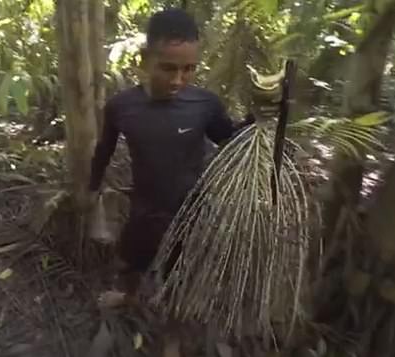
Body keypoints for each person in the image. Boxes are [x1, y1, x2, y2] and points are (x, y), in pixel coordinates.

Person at [88, 8, 266, 308]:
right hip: (144, 208)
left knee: (180, 272)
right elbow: (103, 150)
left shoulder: (204, 104)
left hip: (190, 209)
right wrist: (92, 189)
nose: (178, 80)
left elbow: (230, 140)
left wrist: (256, 119)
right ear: (145, 59)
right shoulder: (121, 107)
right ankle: (129, 297)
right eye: (168, 68)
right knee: (131, 261)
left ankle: (172, 327)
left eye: (189, 69)